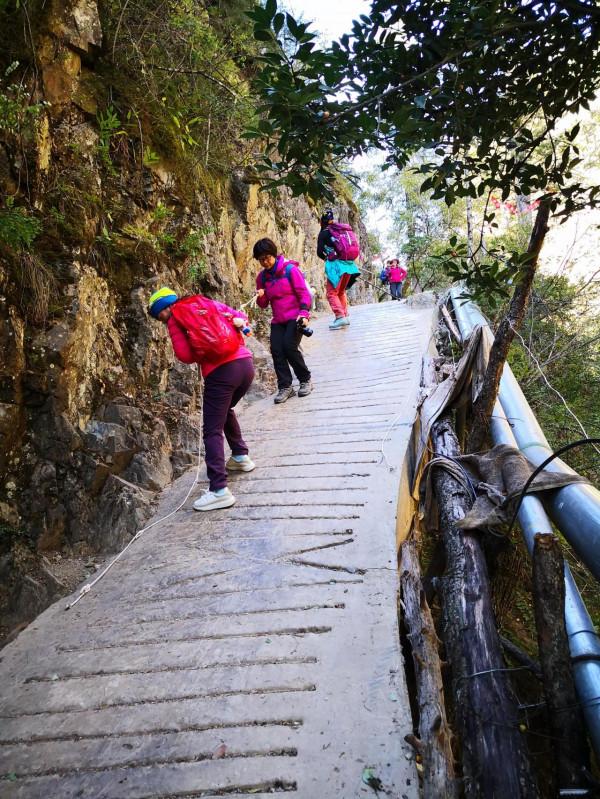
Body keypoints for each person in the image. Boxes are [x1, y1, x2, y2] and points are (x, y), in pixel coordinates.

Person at [148, 287, 255, 512]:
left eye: (160, 316)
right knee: (225, 411)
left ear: (164, 309)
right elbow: (238, 317)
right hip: (245, 364)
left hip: (221, 372)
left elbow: (184, 355)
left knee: (211, 430)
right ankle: (240, 456)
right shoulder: (202, 302)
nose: (162, 320)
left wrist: (203, 352)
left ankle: (218, 490)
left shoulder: (175, 319)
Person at [253, 237, 313, 403]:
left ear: (274, 254)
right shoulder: (262, 278)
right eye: (261, 259)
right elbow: (264, 305)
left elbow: (303, 293)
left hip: (296, 317)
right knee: (277, 350)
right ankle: (285, 387)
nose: (265, 262)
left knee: (289, 346)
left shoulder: (290, 270)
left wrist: (304, 313)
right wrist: (261, 296)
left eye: (267, 257)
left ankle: (305, 380)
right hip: (278, 320)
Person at [317, 209, 361, 329]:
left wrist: (328, 256)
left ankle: (340, 317)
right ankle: (345, 315)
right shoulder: (340, 230)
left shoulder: (324, 233)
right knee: (340, 292)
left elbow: (319, 252)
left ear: (322, 221)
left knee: (331, 293)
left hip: (336, 266)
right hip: (349, 265)